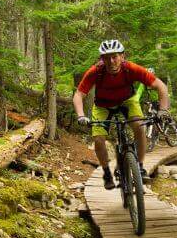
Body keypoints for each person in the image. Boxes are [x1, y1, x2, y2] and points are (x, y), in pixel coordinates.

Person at [72, 40, 171, 190]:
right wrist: (81, 115)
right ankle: (106, 173)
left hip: (127, 101)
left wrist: (163, 110)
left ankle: (140, 166)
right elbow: (79, 94)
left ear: (122, 56)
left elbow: (160, 86)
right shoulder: (96, 71)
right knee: (98, 139)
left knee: (139, 127)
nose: (111, 61)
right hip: (102, 105)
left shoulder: (131, 68)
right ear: (101, 59)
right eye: (106, 58)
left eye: (115, 57)